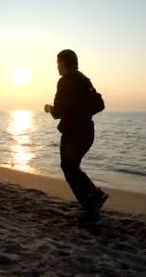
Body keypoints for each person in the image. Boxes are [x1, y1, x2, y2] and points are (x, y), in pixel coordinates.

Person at [44, 49, 108, 223]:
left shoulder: (64, 81)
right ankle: (93, 198)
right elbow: (100, 104)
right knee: (72, 167)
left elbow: (57, 112)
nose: (57, 66)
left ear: (64, 62)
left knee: (68, 167)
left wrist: (49, 108)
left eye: (58, 63)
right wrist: (82, 111)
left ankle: (91, 202)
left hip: (74, 132)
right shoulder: (84, 79)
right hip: (87, 131)